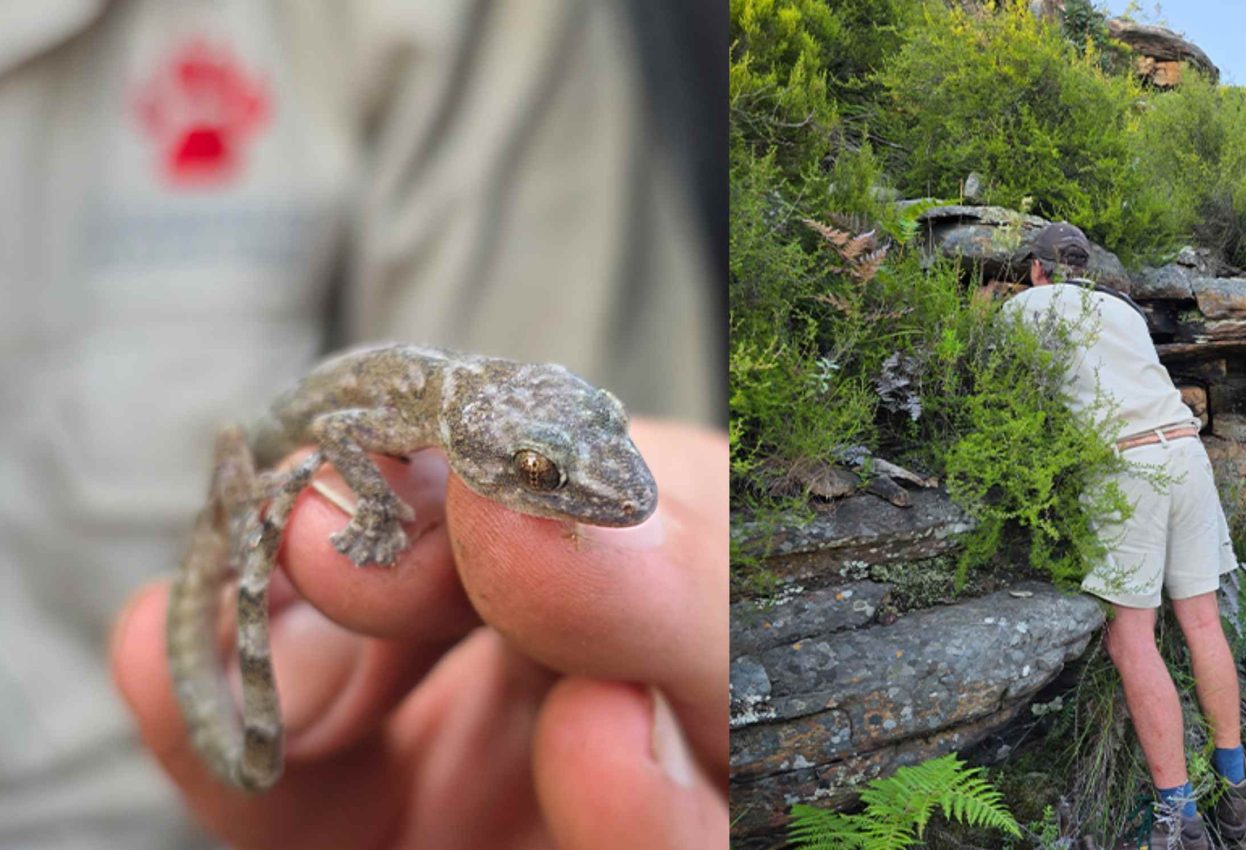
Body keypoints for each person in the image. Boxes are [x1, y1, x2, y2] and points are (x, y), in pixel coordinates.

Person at [0, 2, 725, 848]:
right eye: (539, 473)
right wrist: (378, 507)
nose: (595, 484)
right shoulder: (410, 413)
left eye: (607, 423)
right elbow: (340, 428)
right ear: (480, 451)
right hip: (245, 478)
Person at [998, 223, 1246, 848]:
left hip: (1127, 465)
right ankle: (1236, 785)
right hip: (1185, 452)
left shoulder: (1025, 309)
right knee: (1202, 621)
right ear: (1082, 269)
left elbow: (1000, 390)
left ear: (1037, 269)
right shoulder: (1123, 311)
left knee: (1131, 638)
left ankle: (1177, 818)